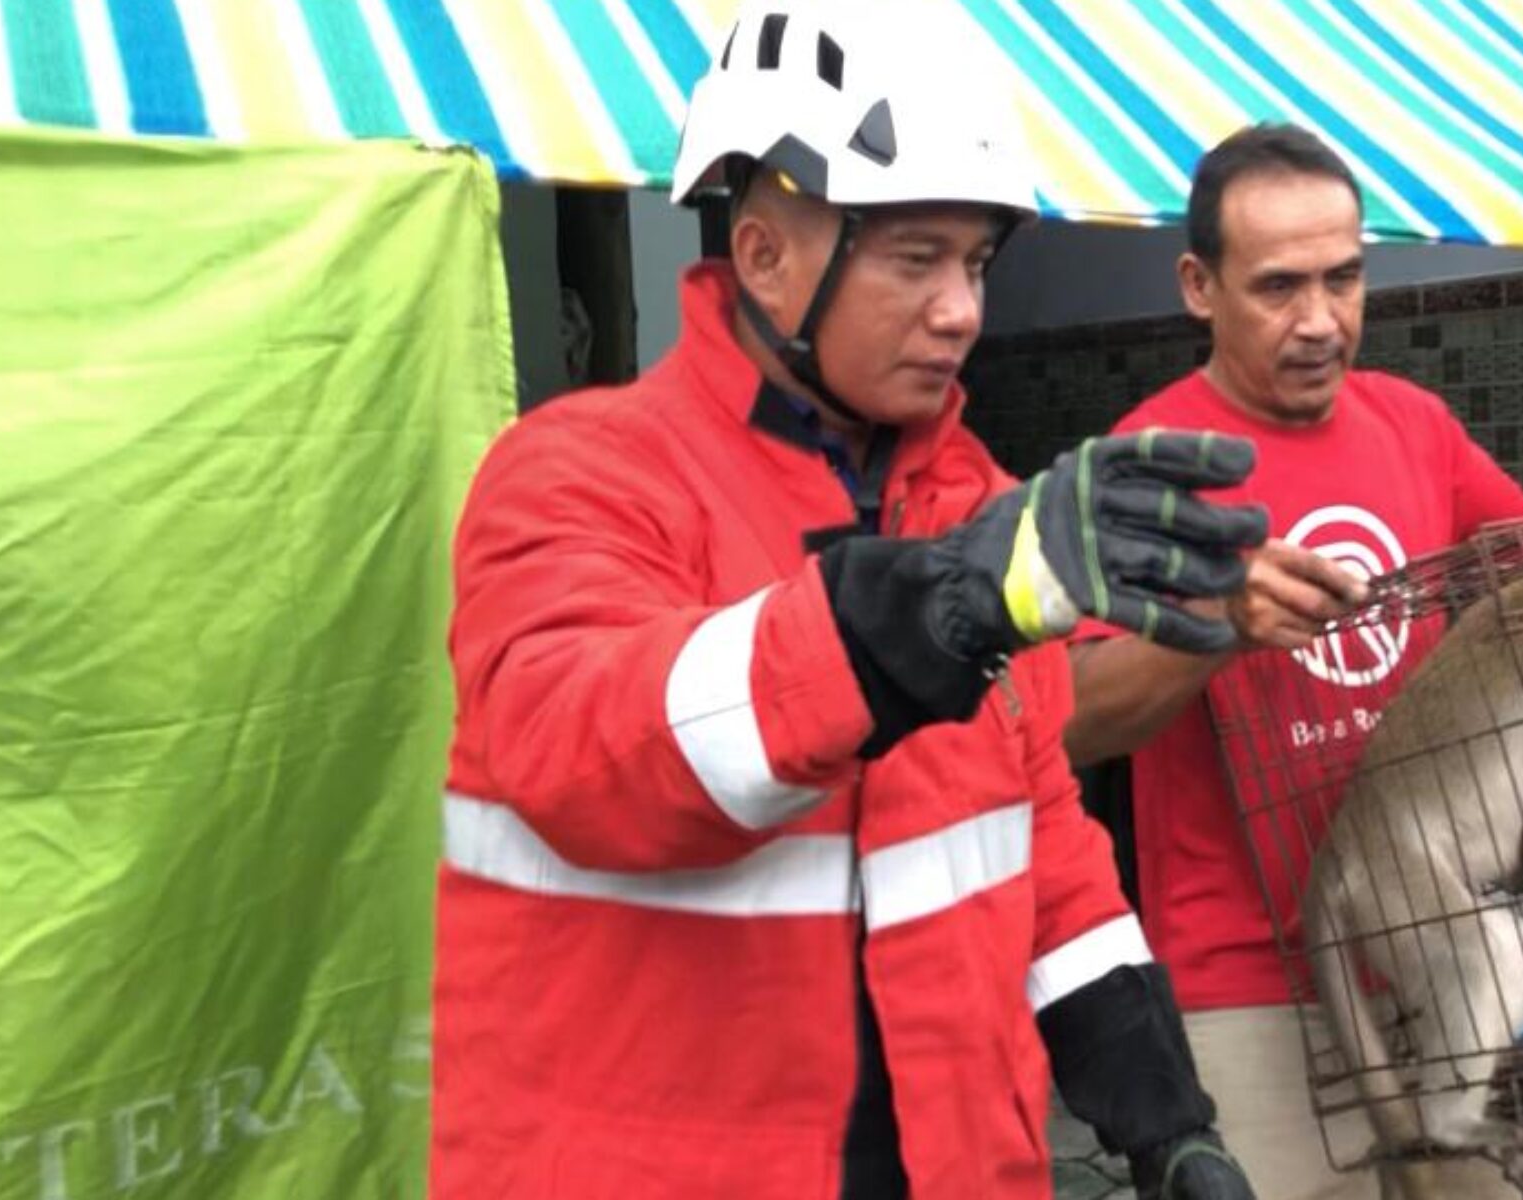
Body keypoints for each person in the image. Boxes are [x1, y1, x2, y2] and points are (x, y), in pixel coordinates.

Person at [429, 4, 1266, 1197]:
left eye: (975, 262)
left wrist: (1167, 1122)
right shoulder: (578, 475)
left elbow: (1039, 854)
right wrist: (919, 619)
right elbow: (588, 756)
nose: (963, 311)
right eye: (915, 257)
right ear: (765, 255)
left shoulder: (969, 507)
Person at [1064, 123, 1523, 1200]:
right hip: (1251, 985)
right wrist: (1212, 617)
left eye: (1343, 279)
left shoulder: (1412, 424)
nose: (1319, 321)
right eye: (1278, 287)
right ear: (1197, 286)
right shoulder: (1136, 469)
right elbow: (1073, 717)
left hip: (1444, 937)